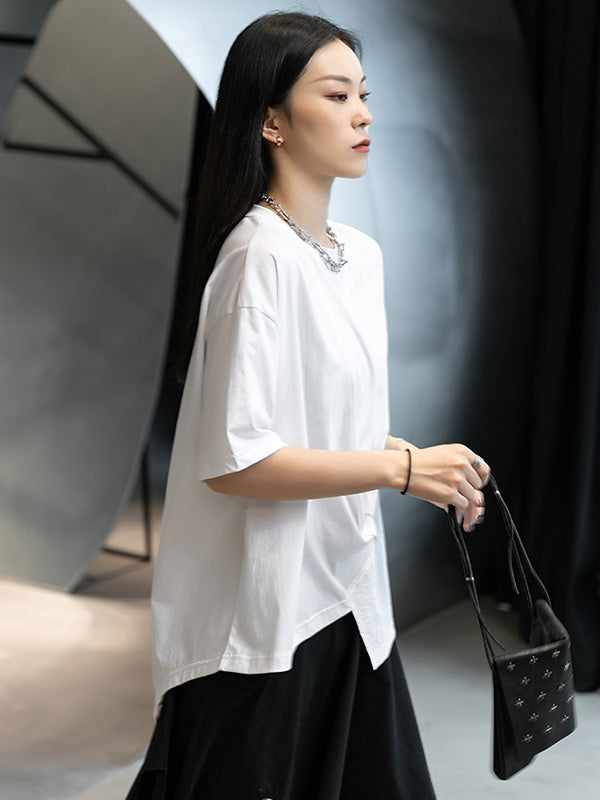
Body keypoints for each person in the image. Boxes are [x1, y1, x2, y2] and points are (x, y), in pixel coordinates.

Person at [126, 11, 489, 800]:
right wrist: (400, 471)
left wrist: (422, 465)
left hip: (350, 594)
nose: (362, 115)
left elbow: (324, 422)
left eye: (364, 94)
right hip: (270, 619)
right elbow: (238, 461)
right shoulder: (256, 259)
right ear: (272, 122)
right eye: (335, 95)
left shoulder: (359, 257)